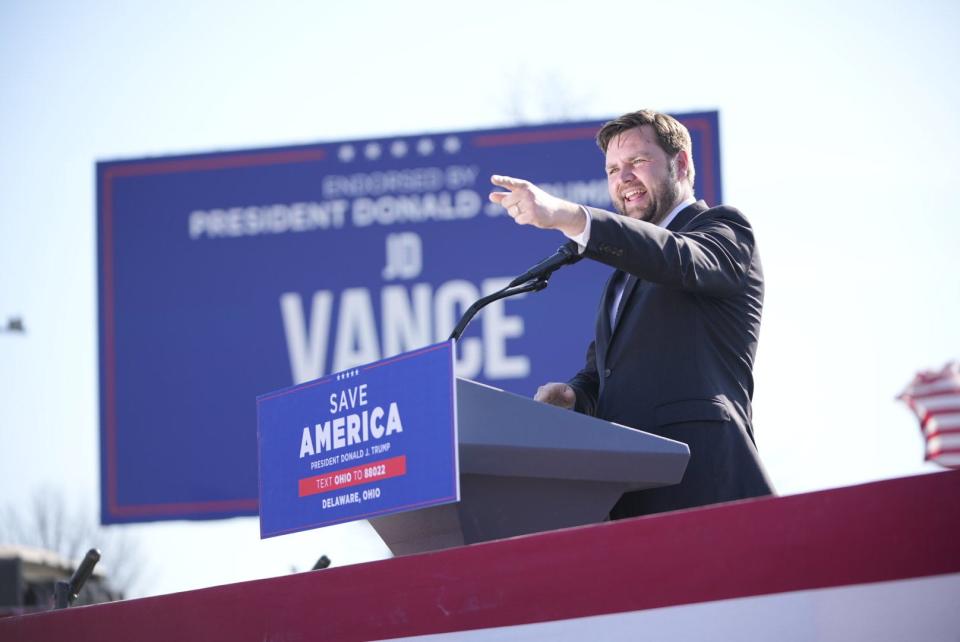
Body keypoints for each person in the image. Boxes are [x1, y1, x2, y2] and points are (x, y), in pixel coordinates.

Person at [489, 109, 774, 518]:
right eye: (612, 169)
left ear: (682, 164)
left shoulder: (723, 230)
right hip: (629, 494)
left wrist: (572, 217)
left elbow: (676, 258)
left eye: (638, 162)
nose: (623, 178)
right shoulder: (624, 276)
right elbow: (604, 375)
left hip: (703, 482)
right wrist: (573, 396)